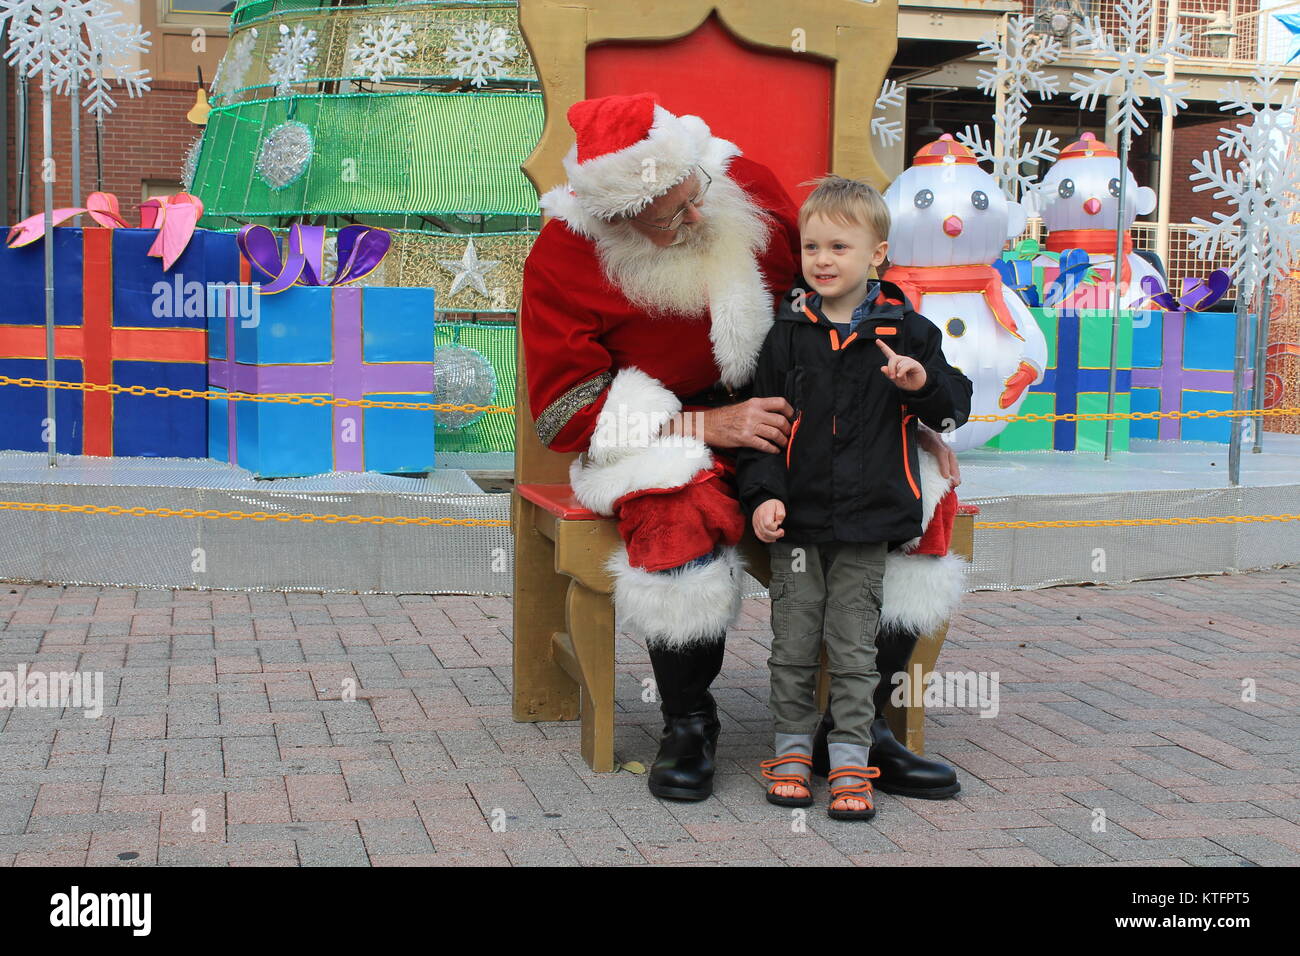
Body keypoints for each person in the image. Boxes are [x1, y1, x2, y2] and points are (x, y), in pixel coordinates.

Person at [519, 92, 963, 803]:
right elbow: (565, 415)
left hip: (801, 401)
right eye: (670, 217)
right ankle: (689, 723)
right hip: (665, 429)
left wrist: (911, 410)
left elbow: (843, 287)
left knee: (925, 493)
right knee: (676, 514)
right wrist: (706, 427)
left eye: (697, 195)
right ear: (616, 218)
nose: (697, 216)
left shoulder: (740, 183)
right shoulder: (566, 255)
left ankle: (860, 727)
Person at [737, 176, 972, 819]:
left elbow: (954, 403)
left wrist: (921, 385)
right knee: (790, 641)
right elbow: (765, 430)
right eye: (812, 247)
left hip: (869, 521)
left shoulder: (910, 331)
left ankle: (848, 758)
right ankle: (789, 750)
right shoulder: (787, 332)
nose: (823, 260)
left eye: (839, 246)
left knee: (852, 645)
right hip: (798, 522)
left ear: (877, 254)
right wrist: (762, 494)